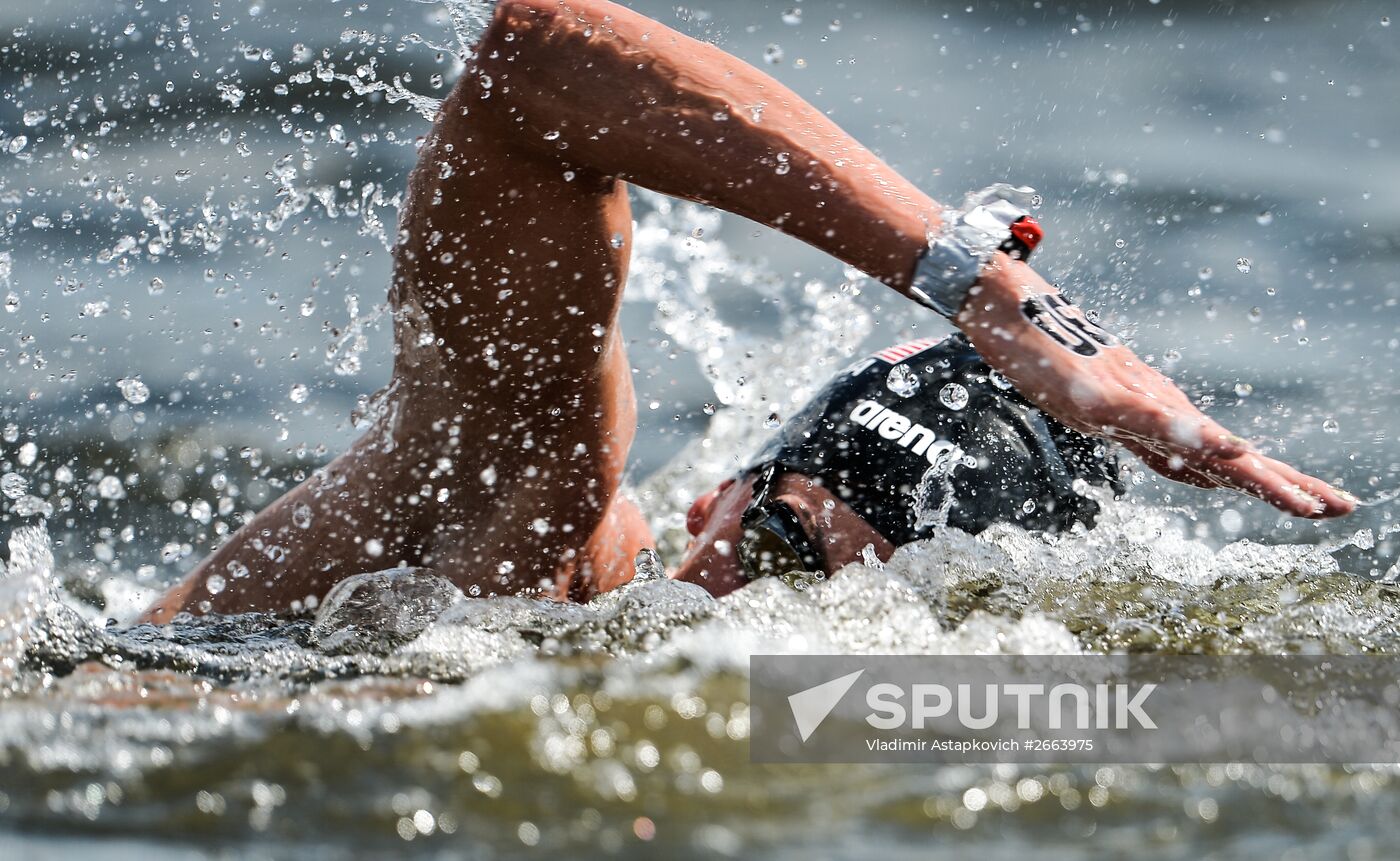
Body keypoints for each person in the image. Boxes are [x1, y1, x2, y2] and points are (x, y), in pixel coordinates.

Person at [141, 0, 1353, 622]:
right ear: (714, 498)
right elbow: (536, 57)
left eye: (852, 622)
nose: (761, 627)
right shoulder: (535, 525)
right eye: (776, 551)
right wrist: (986, 289)